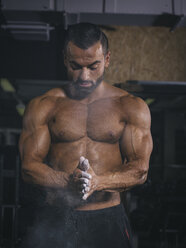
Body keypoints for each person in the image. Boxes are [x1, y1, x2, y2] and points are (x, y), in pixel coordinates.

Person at [19, 23, 153, 248]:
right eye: (75, 66)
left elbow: (140, 170)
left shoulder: (130, 106)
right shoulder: (44, 105)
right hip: (56, 216)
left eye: (93, 66)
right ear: (64, 59)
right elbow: (28, 167)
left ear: (107, 59)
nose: (84, 76)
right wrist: (66, 182)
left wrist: (97, 183)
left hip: (107, 217)